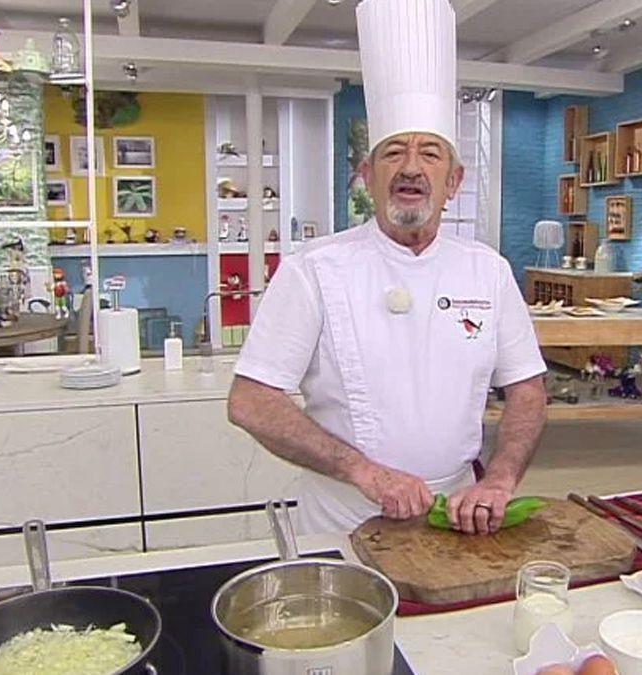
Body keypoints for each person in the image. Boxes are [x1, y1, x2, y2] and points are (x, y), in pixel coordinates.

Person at [227, 0, 547, 536]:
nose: (411, 168)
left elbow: (528, 391)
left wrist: (499, 478)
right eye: (394, 153)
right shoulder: (313, 270)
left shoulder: (488, 271)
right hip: (344, 515)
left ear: (453, 182)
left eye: (430, 154)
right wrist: (364, 472)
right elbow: (251, 401)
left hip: (458, 514)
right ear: (368, 176)